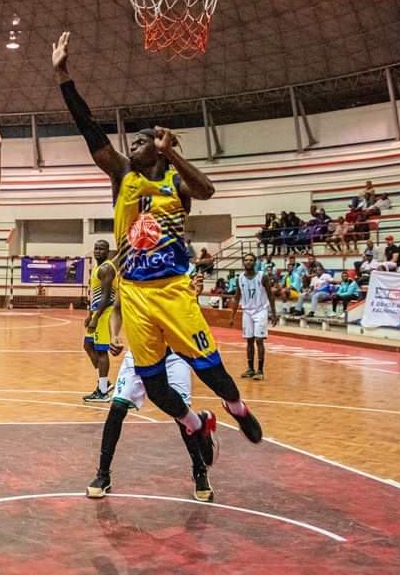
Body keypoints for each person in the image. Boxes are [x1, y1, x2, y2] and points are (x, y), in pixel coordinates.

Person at [53, 31, 262, 500]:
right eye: (138, 140)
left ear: (158, 148)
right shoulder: (122, 175)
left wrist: (173, 152)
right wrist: (63, 75)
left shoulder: (174, 181)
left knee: (209, 368)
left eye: (145, 139)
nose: (137, 143)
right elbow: (90, 130)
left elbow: (207, 191)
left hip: (173, 289)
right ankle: (196, 424)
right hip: (135, 293)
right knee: (151, 385)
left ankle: (236, 407)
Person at [88, 277, 214, 502]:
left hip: (173, 355)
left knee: (181, 414)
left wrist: (194, 297)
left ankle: (200, 470)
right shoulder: (130, 276)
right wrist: (115, 335)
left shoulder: (176, 278)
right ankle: (103, 474)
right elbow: (117, 309)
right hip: (140, 352)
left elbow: (189, 317)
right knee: (117, 408)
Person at [231, 253, 277, 381]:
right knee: (249, 340)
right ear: (243, 262)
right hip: (247, 311)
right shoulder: (239, 278)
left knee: (259, 340)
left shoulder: (262, 276)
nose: (249, 262)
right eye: (246, 260)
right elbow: (236, 297)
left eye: (251, 260)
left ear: (255, 262)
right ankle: (250, 369)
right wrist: (232, 315)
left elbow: (270, 295)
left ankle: (260, 370)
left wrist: (273, 313)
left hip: (260, 310)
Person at [83, 240, 115, 401]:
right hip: (96, 313)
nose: (97, 251)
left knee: (102, 351)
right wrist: (90, 314)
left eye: (101, 249)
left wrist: (96, 318)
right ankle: (105, 382)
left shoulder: (106, 268)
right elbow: (94, 295)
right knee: (88, 345)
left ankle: (102, 392)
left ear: (107, 251)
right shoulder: (97, 267)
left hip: (104, 314)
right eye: (96, 248)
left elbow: (107, 297)